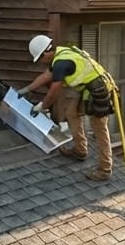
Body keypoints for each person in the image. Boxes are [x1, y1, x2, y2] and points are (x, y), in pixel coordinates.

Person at [20, 34, 116, 182]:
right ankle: (80, 150)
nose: (41, 62)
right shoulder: (60, 54)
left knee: (99, 129)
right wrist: (27, 89)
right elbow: (45, 76)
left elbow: (54, 92)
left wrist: (42, 106)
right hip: (86, 88)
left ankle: (105, 169)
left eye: (40, 59)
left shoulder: (61, 63)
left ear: (46, 53)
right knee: (71, 113)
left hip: (99, 91)